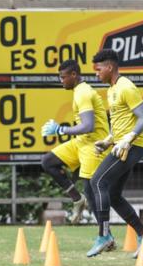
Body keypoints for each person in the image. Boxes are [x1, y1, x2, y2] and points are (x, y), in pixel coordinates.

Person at [87, 49, 143, 258]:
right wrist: (109, 140)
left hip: (132, 147)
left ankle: (104, 235)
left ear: (109, 67)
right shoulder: (111, 90)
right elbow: (121, 123)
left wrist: (128, 138)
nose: (96, 74)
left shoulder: (126, 87)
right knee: (114, 195)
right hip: (121, 146)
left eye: (98, 69)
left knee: (97, 182)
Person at [41, 59, 110, 226]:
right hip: (81, 142)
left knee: (92, 190)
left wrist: (60, 130)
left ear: (74, 75)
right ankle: (77, 200)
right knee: (48, 162)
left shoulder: (84, 93)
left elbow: (88, 126)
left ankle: (105, 234)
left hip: (95, 145)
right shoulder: (78, 91)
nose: (61, 81)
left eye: (63, 77)